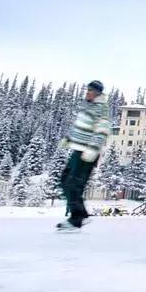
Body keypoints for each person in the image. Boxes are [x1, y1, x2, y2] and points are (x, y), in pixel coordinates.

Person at [56, 80, 112, 231]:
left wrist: (93, 149)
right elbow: (79, 126)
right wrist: (68, 138)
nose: (87, 92)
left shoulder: (101, 108)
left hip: (88, 152)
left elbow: (103, 130)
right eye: (87, 89)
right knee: (64, 180)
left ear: (97, 93)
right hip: (77, 149)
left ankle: (77, 218)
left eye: (91, 90)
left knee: (74, 184)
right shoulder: (87, 106)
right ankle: (80, 214)